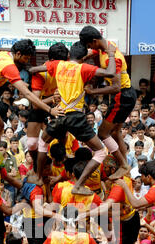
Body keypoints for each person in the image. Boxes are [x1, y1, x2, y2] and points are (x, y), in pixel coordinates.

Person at [0, 40, 64, 192]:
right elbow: (26, 94)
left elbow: (3, 77)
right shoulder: (10, 67)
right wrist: (50, 110)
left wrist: (20, 84)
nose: (26, 62)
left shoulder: (4, 55)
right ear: (18, 54)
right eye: (25, 58)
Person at [29, 40, 118, 195]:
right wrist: (110, 53)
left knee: (43, 142)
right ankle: (79, 185)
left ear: (69, 54)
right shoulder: (83, 68)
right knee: (100, 152)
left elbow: (33, 69)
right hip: (75, 117)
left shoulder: (58, 65)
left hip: (60, 114)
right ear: (83, 58)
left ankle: (37, 176)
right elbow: (110, 73)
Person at [79, 26, 137, 177]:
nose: (90, 48)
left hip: (121, 96)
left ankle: (123, 165)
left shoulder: (112, 58)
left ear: (94, 41)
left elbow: (116, 87)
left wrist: (93, 91)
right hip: (127, 94)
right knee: (116, 132)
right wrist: (83, 58)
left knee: (103, 133)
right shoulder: (107, 46)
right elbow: (94, 51)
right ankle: (125, 164)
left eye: (89, 45)